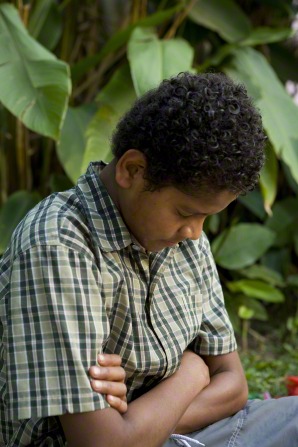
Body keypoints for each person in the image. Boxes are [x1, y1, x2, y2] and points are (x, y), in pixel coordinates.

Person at [0, 72, 297, 447]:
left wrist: (142, 417)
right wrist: (192, 372)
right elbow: (102, 443)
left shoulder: (183, 239)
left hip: (184, 433)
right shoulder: (58, 245)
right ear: (133, 170)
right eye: (186, 213)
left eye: (207, 217)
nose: (195, 232)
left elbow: (233, 385)